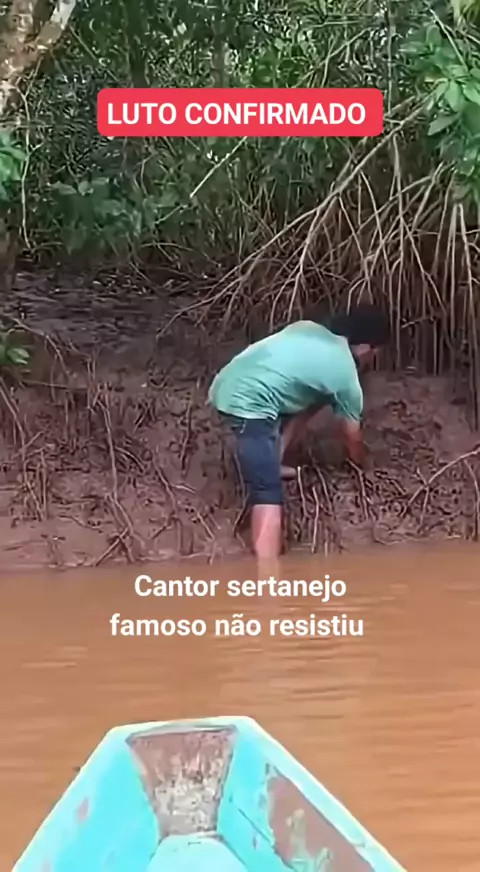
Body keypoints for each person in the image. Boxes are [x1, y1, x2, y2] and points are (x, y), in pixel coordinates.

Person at [208, 304, 390, 563]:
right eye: (376, 353)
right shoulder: (345, 376)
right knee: (267, 490)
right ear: (366, 348)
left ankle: (276, 456)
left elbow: (301, 392)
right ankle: (267, 572)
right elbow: (352, 436)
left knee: (311, 398)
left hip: (226, 382)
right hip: (249, 401)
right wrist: (360, 463)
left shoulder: (308, 329)